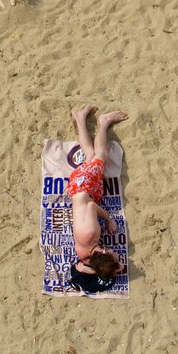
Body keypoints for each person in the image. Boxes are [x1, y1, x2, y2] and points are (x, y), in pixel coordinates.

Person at [66, 105, 128, 290]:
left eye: (114, 255)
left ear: (104, 252)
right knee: (91, 155)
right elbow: (84, 270)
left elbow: (92, 207)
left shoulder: (92, 234)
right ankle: (79, 117)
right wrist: (112, 268)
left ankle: (103, 123)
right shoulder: (85, 257)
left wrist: (108, 219)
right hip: (81, 190)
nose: (117, 254)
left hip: (83, 186)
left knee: (101, 155)